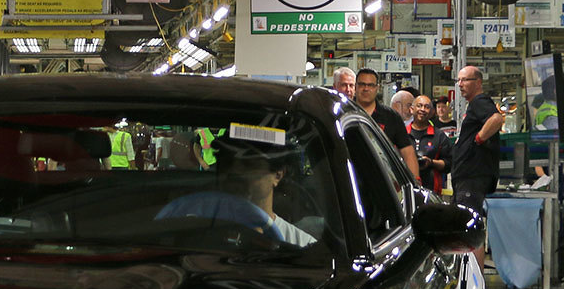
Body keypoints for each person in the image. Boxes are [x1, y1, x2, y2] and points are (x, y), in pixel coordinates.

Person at [155, 136, 315, 246]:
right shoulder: (191, 233)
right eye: (228, 163)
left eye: (249, 164)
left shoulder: (301, 245)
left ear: (278, 175)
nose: (235, 172)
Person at [450, 65, 506, 214]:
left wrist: (478, 139)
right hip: (468, 179)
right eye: (459, 80)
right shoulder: (474, 104)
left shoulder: (479, 101)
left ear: (478, 82)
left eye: (465, 80)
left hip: (473, 179)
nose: (460, 84)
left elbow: (496, 119)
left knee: (465, 222)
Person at [353, 68, 420, 181]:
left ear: (377, 88)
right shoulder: (344, 113)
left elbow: (408, 153)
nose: (366, 89)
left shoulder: (391, 117)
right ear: (355, 86)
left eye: (370, 85)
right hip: (350, 179)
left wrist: (416, 184)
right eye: (362, 84)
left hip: (384, 183)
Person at [410, 94, 448, 194]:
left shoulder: (439, 136)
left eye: (427, 107)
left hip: (432, 192)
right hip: (405, 190)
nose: (422, 109)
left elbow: (449, 164)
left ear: (431, 112)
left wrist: (431, 162)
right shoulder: (402, 134)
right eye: (419, 106)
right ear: (411, 109)